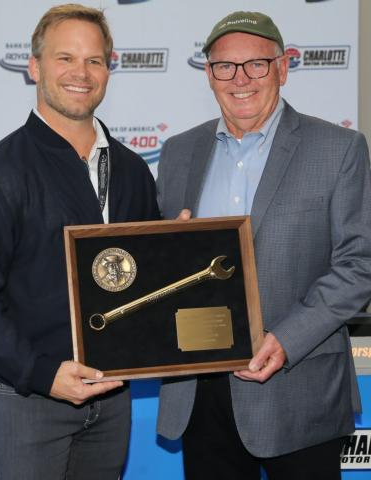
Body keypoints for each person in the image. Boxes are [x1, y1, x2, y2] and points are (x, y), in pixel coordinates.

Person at [0, 4, 159, 479]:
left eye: (95, 60)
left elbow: (142, 279)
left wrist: (179, 253)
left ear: (109, 68)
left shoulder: (133, 171)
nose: (80, 73)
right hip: (26, 401)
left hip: (112, 399)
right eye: (65, 58)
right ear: (35, 66)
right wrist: (45, 375)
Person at [156, 10, 371, 480]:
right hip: (201, 392)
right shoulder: (178, 153)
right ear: (209, 75)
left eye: (256, 64)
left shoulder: (339, 148)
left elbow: (359, 266)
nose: (240, 79)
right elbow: (163, 266)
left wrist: (286, 341)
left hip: (298, 387)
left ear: (283, 68)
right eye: (225, 67)